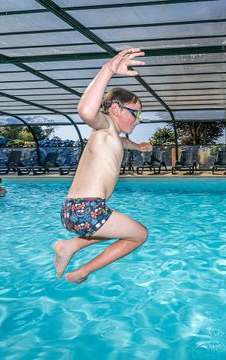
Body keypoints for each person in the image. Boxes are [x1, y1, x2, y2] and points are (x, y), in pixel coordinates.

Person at [54, 48, 151, 284]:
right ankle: (81, 271)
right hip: (88, 209)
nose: (138, 120)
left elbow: (122, 142)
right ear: (116, 109)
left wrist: (138, 146)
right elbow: (86, 111)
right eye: (135, 114)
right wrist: (108, 70)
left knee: (123, 231)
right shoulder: (105, 124)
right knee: (139, 235)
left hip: (72, 210)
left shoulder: (111, 135)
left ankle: (69, 246)